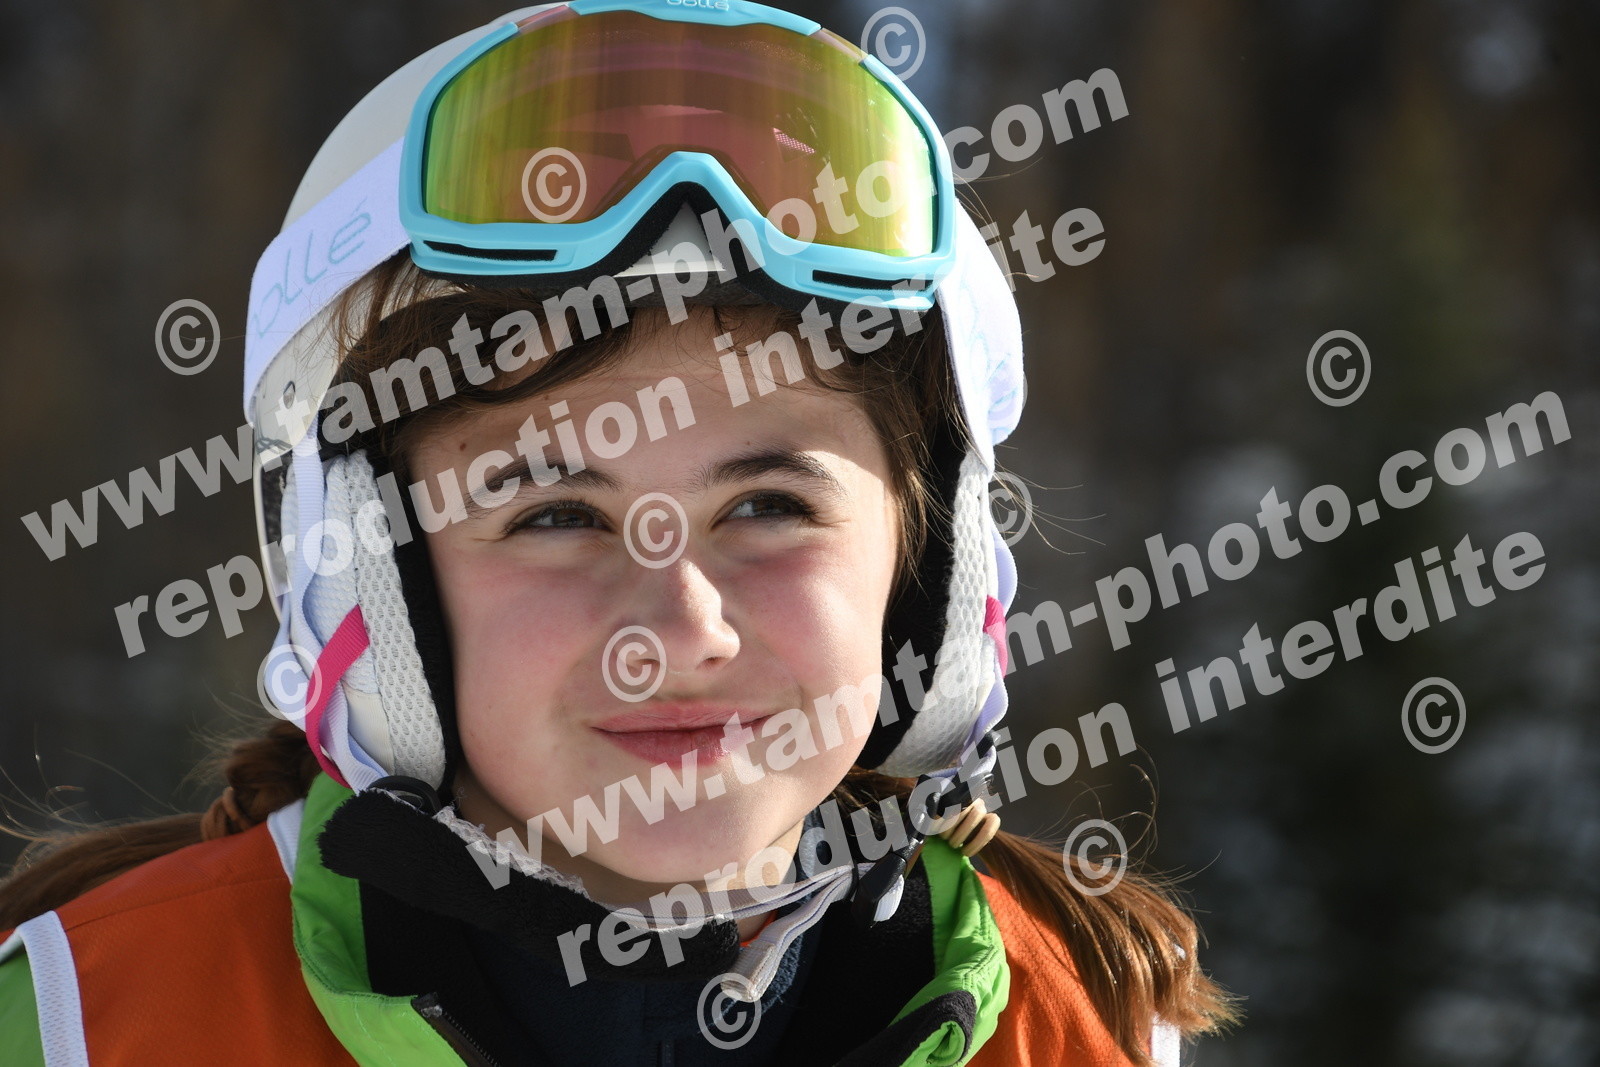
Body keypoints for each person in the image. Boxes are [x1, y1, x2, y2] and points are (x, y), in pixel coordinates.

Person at [0, 2, 1236, 1063]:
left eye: (768, 506)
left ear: (924, 566)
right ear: (368, 581)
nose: (682, 629)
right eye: (555, 515)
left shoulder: (1086, 1026)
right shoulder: (82, 1021)